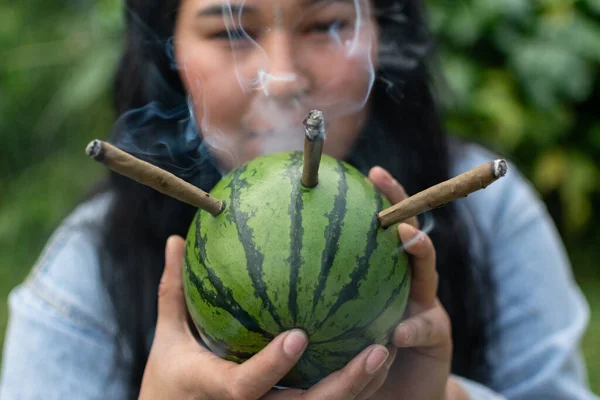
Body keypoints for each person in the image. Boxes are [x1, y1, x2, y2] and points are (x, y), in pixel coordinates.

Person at [0, 0, 597, 398]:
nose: (281, 77)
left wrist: (445, 396)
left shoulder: (490, 214)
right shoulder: (83, 276)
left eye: (325, 23)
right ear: (171, 49)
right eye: (230, 29)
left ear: (383, 34)